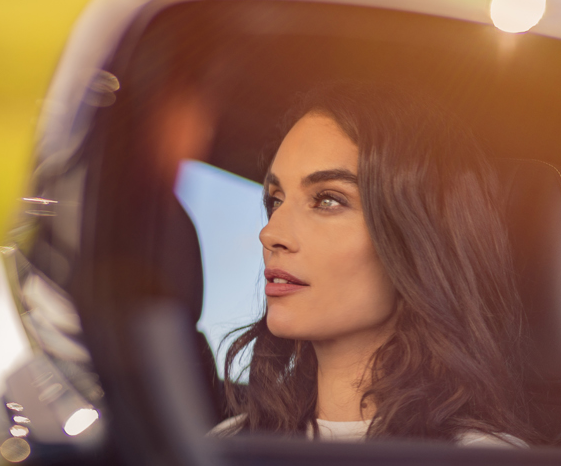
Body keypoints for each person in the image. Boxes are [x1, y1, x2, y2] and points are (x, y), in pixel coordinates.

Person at [210, 83, 535, 447]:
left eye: (328, 200)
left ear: (419, 241)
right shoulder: (228, 443)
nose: (270, 234)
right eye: (276, 199)